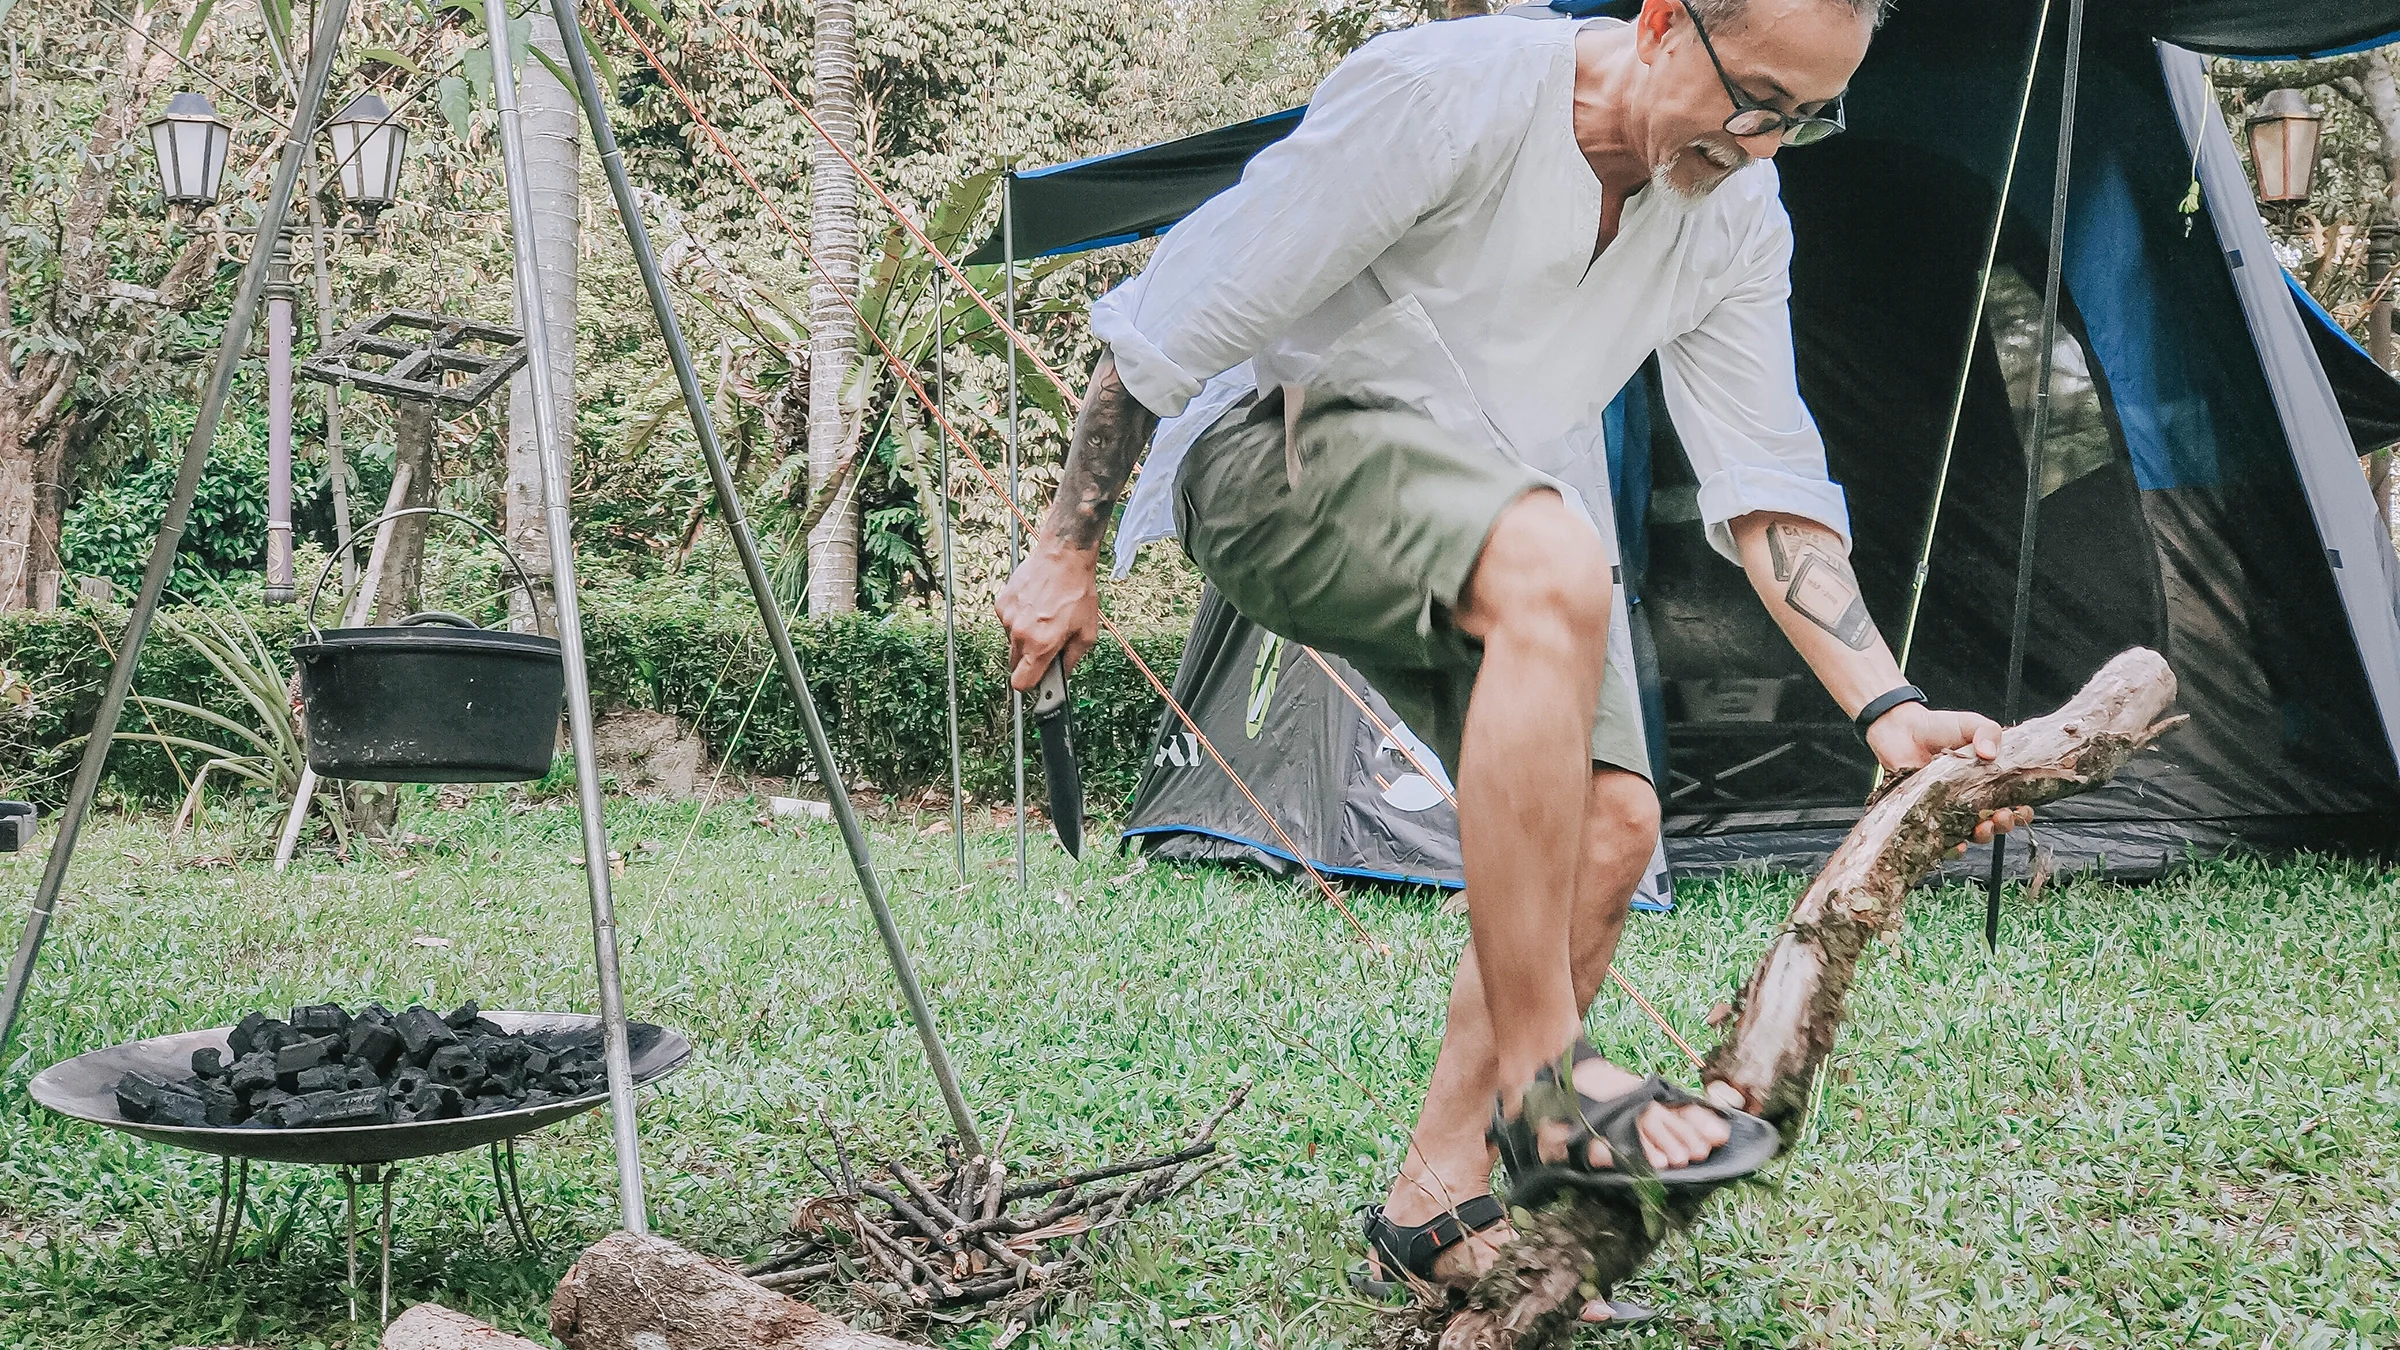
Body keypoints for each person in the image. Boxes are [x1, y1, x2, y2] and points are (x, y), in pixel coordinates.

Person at [997, 0, 2032, 1324]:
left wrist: (1885, 705)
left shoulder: (1734, 218)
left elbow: (1767, 487)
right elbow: (1166, 318)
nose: (1762, 142)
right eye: (1753, 95)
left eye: (1803, 116)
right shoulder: (1451, 95)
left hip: (1500, 507)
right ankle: (1549, 1076)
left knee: (1611, 829)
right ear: (1662, 18)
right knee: (1555, 558)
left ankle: (1435, 1204)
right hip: (1274, 450)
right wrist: (1064, 546)